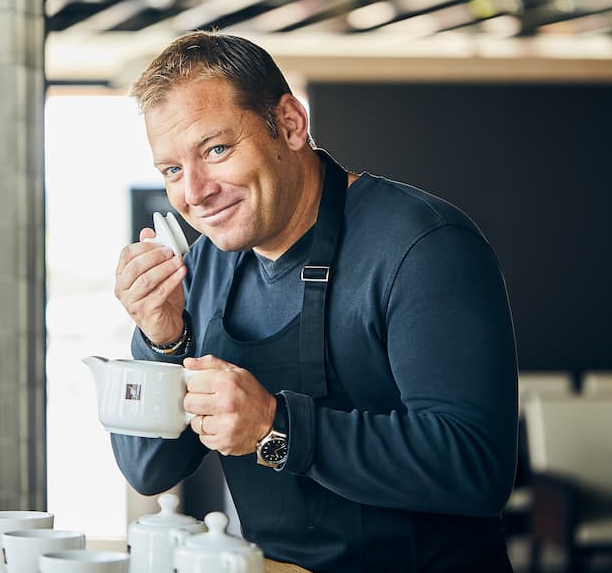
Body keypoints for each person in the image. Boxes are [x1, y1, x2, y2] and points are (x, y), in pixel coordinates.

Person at [112, 30, 518, 572]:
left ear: (289, 124)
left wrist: (276, 427)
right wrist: (164, 339)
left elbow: (475, 469)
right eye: (172, 170)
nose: (195, 191)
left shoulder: (423, 245)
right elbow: (149, 470)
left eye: (216, 149)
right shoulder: (206, 265)